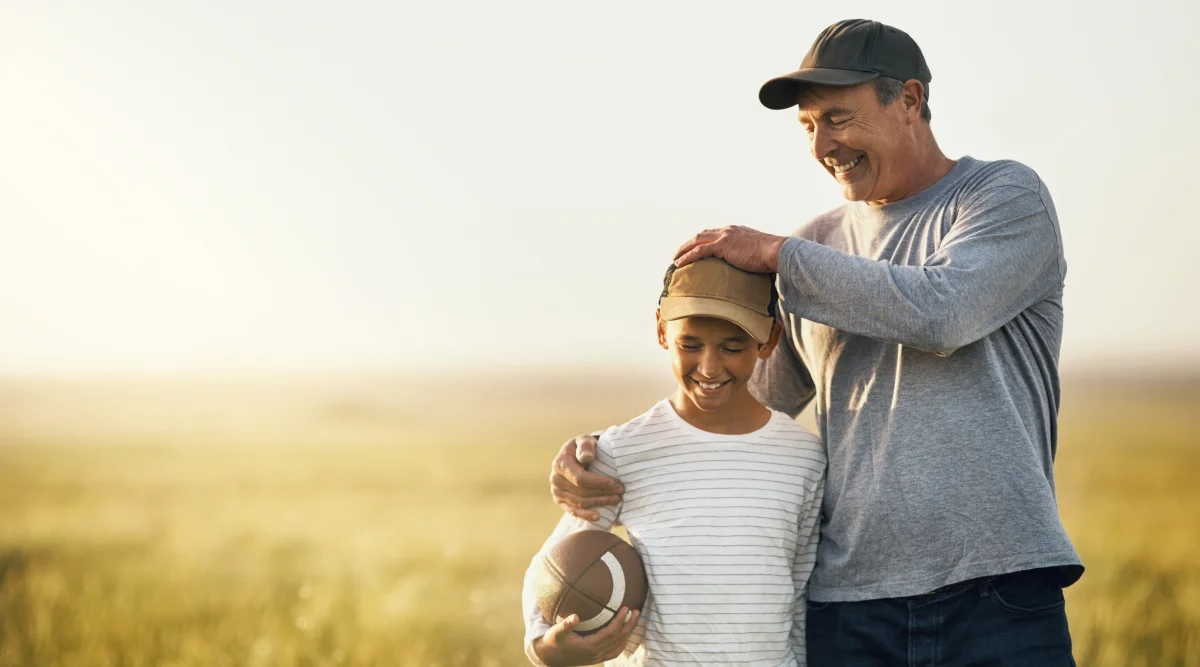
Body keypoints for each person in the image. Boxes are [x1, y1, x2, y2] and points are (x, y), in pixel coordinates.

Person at [550, 18, 1082, 666]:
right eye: (808, 126)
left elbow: (943, 312)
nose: (822, 143)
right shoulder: (817, 247)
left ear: (910, 101)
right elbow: (740, 410)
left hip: (999, 596)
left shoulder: (1001, 197)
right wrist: (600, 457)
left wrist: (778, 254)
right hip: (849, 611)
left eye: (838, 118)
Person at [522, 259, 826, 666]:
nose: (709, 367)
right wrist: (543, 644)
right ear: (662, 331)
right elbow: (555, 561)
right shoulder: (622, 450)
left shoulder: (803, 459)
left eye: (733, 347)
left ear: (769, 340)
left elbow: (800, 593)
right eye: (690, 344)